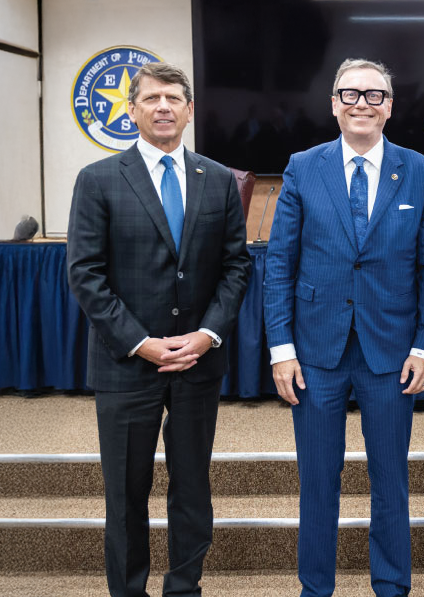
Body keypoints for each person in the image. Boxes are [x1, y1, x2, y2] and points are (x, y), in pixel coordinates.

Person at [67, 61, 251, 596]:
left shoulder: (218, 179)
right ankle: (128, 590)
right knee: (126, 492)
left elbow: (237, 266)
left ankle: (183, 586)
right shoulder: (97, 179)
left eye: (174, 98)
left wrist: (208, 334)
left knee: (192, 487)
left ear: (190, 110)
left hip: (198, 363)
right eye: (151, 99)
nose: (164, 106)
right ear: (133, 109)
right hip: (127, 363)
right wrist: (141, 343)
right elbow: (85, 273)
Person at [263, 58, 424, 597]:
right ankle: (315, 588)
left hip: (392, 352)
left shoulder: (419, 171)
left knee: (390, 480)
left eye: (374, 94)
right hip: (315, 352)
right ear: (334, 103)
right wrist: (280, 347)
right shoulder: (303, 166)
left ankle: (391, 586)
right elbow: (280, 262)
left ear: (390, 105)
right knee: (318, 482)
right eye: (350, 93)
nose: (362, 103)